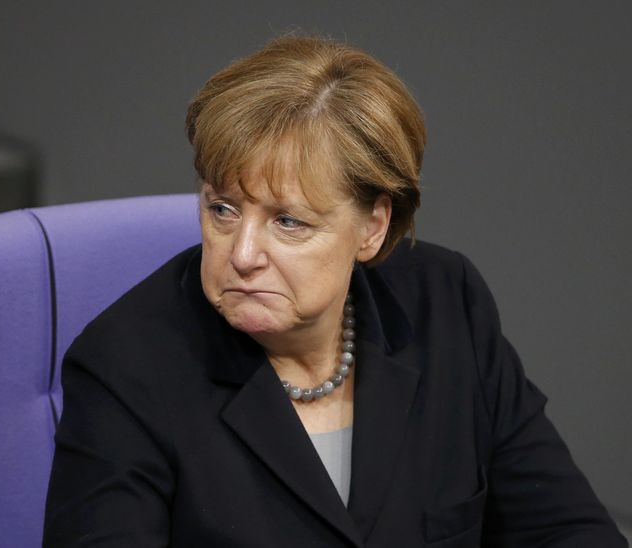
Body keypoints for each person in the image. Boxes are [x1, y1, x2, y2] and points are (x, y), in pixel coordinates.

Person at [43, 35, 626, 547]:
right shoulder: (125, 370)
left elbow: (563, 528)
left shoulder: (448, 305)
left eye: (288, 222)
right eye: (222, 209)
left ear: (372, 228)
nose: (241, 255)